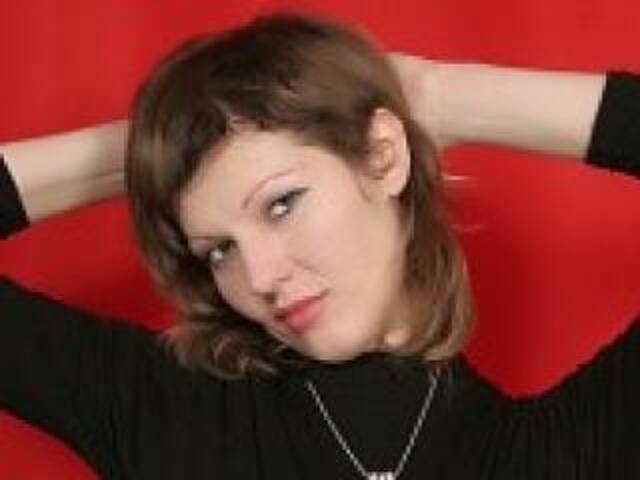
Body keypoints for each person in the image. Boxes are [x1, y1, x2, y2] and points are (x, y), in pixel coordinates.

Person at [1, 12, 638, 480]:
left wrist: (442, 98)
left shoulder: (551, 454)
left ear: (383, 156)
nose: (261, 277)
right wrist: (156, 149)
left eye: (281, 205)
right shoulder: (161, 412)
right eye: (219, 249)